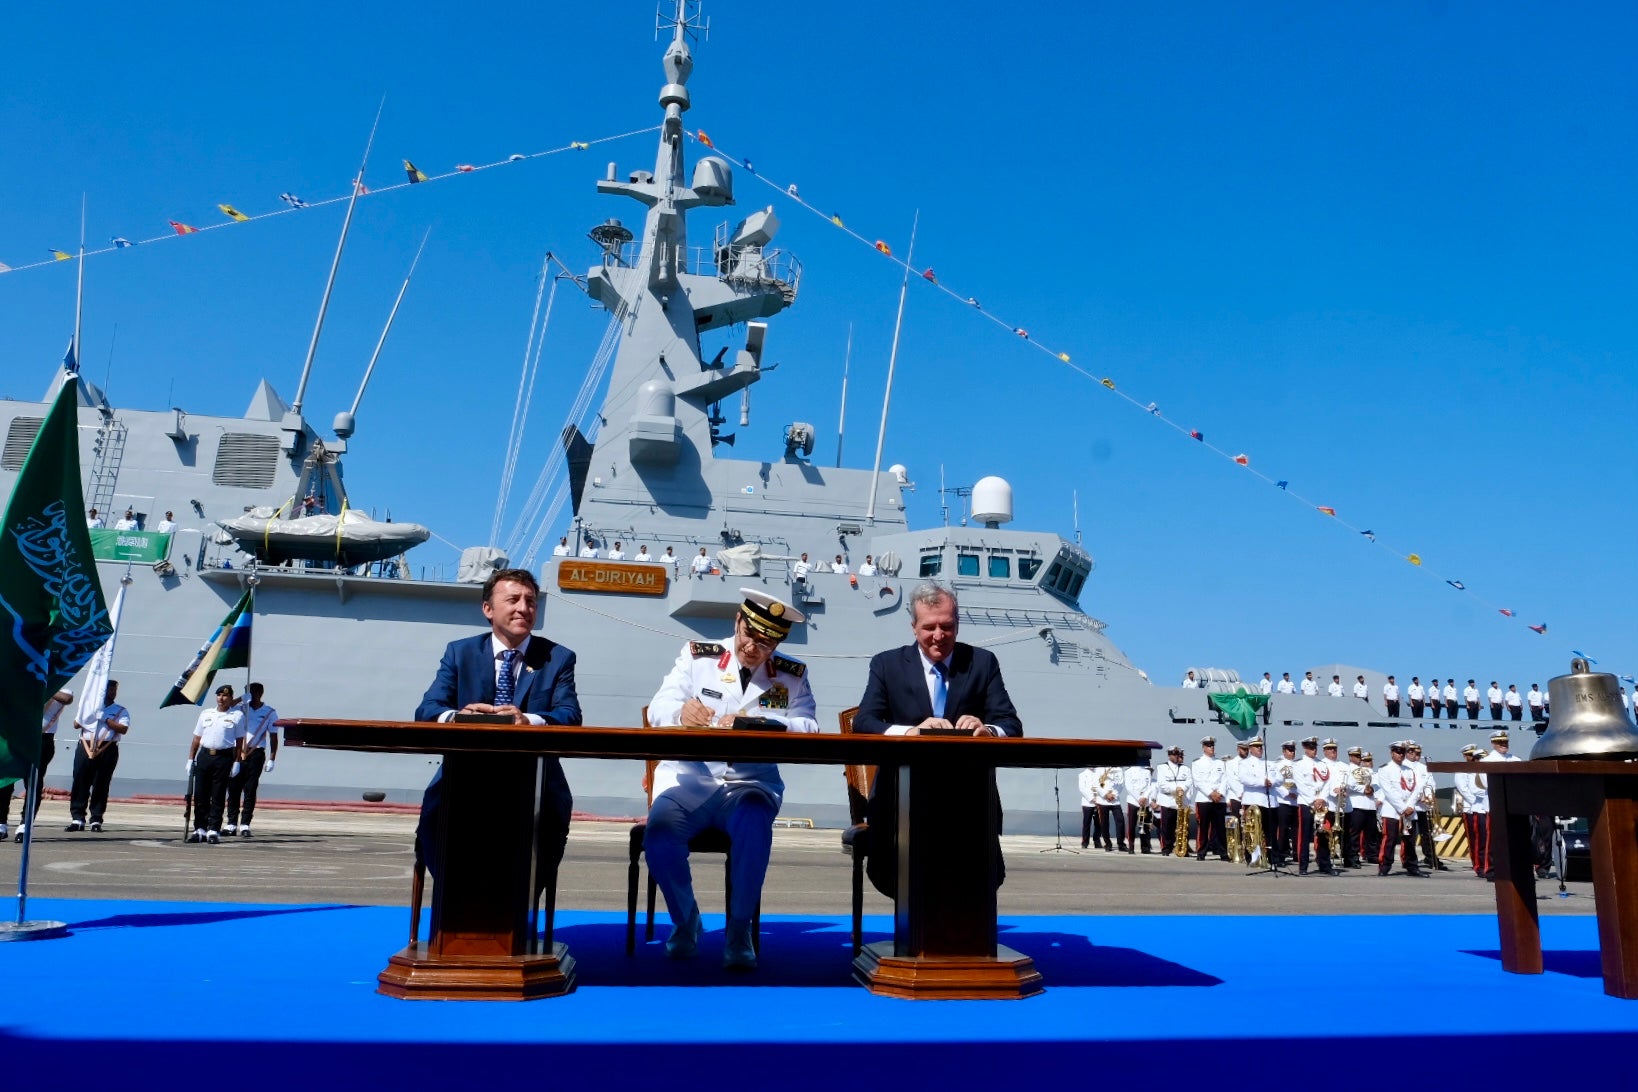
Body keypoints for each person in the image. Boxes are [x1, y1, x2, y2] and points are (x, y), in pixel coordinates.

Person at [644, 590, 816, 970]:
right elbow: (658, 709)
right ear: (738, 621)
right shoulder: (697, 657)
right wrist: (682, 713)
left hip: (749, 785)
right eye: (749, 634)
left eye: (766, 642)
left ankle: (739, 929)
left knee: (754, 823)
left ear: (778, 643)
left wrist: (763, 724)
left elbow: (808, 725)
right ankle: (686, 920)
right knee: (658, 835)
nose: (753, 647)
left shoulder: (792, 675)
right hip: (690, 780)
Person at [854, 581, 1022, 898]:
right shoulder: (886, 665)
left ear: (957, 624)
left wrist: (987, 730)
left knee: (974, 881)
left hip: (968, 802)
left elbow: (1010, 725)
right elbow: (864, 723)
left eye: (947, 627)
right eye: (929, 627)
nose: (939, 636)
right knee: (906, 877)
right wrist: (911, 732)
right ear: (913, 627)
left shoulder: (983, 663)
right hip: (901, 800)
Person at [413, 567, 580, 886]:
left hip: (535, 776)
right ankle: (455, 901)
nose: (524, 608)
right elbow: (427, 710)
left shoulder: (558, 658)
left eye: (531, 601)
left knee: (551, 817)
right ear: (488, 609)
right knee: (436, 816)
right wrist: (459, 718)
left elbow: (570, 715)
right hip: (465, 774)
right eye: (513, 600)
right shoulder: (459, 653)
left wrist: (528, 720)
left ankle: (522, 904)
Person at [0, 690, 71, 841]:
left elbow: (67, 698)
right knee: (5, 781)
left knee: (33, 784)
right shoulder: (25, 685)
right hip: (17, 738)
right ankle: (1, 824)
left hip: (42, 740)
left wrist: (46, 686)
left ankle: (25, 825)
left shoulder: (58, 686)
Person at [185, 685, 246, 844]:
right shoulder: (206, 714)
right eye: (218, 695)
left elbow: (239, 742)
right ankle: (199, 829)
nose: (221, 698)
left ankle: (213, 829)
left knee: (218, 795)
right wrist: (191, 759)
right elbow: (197, 738)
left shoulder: (237, 716)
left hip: (223, 757)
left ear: (231, 698)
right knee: (200, 795)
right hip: (205, 756)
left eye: (225, 696)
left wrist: (237, 761)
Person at [66, 681, 129, 833]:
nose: (112, 693)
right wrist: (90, 714)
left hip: (107, 748)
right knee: (80, 781)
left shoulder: (120, 710)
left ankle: (96, 819)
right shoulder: (89, 707)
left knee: (101, 783)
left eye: (114, 690)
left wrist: (106, 719)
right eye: (109, 690)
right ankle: (77, 818)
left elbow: (123, 728)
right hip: (85, 746)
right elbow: (76, 724)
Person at [225, 682, 278, 837]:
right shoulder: (240, 708)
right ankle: (231, 823)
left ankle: (245, 824)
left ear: (260, 692)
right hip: (237, 753)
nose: (250, 695)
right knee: (233, 788)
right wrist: (241, 699)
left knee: (250, 789)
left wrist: (272, 758)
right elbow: (226, 707)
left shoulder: (269, 712)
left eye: (252, 692)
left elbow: (273, 736)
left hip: (256, 754)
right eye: (247, 692)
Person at [1377, 742, 1427, 877]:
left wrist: (1410, 806)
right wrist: (1403, 808)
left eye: (1402, 752)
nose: (1400, 755)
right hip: (1392, 810)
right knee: (1389, 840)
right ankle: (1384, 866)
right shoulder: (1384, 769)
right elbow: (1388, 791)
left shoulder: (1409, 770)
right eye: (1398, 752)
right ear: (1392, 753)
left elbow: (1416, 789)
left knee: (1410, 841)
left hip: (1409, 810)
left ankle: (1412, 866)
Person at [1293, 737, 1335, 876]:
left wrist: (1322, 798)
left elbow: (1327, 783)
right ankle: (1303, 866)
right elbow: (1300, 785)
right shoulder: (1299, 764)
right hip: (1307, 803)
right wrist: (1313, 800)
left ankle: (1325, 865)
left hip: (1321, 804)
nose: (1314, 750)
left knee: (1323, 835)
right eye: (1311, 748)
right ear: (1305, 748)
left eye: (1315, 747)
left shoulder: (1322, 764)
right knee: (1304, 836)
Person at [1453, 744, 1490, 879]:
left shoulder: (1483, 771)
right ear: (1465, 756)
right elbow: (1463, 789)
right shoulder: (1462, 770)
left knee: (1486, 839)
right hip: (1471, 807)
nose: (1472, 758)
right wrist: (1477, 801)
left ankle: (1486, 864)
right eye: (1470, 755)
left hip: (1485, 808)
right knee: (1475, 839)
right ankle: (1478, 864)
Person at [1236, 738, 1274, 866]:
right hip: (1252, 800)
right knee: (1251, 831)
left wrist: (1272, 781)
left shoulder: (1267, 763)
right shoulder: (1244, 763)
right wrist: (1262, 782)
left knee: (1267, 831)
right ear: (1251, 749)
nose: (1260, 749)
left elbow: (1278, 777)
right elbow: (1244, 778)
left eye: (1261, 746)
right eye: (1257, 746)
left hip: (1266, 801)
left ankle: (1269, 857)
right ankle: (1252, 857)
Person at [1191, 736, 1227, 861]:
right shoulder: (1197, 763)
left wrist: (1220, 793)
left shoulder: (1220, 763)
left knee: (1220, 827)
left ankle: (1223, 852)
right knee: (1203, 827)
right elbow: (1198, 782)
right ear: (1203, 747)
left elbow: (1224, 780)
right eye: (1208, 745)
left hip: (1219, 799)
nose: (1211, 747)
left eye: (1212, 745)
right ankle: (1201, 852)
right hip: (1204, 799)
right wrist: (1211, 793)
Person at [1345, 747, 1379, 867]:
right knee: (1354, 834)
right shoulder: (1347, 769)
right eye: (1356, 756)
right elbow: (1349, 785)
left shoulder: (1367, 770)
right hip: (1356, 804)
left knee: (1372, 833)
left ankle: (1372, 855)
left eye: (1360, 756)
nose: (1359, 758)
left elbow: (1376, 783)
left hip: (1370, 805)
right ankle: (1353, 856)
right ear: (1350, 757)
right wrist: (1363, 789)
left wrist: (1372, 789)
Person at [1271, 740, 1300, 867]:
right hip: (1283, 801)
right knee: (1282, 829)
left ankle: (1297, 854)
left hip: (1296, 801)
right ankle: (1281, 854)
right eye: (1289, 750)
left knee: (1296, 829)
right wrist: (1287, 793)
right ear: (1284, 751)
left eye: (1293, 750)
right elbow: (1275, 782)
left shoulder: (1298, 765)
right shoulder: (1278, 765)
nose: (1292, 753)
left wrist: (1297, 793)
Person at [1122, 761, 1154, 854]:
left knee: (1144, 825)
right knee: (1131, 825)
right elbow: (1129, 787)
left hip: (1145, 802)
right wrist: (1139, 798)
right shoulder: (1128, 771)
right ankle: (1131, 847)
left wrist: (1145, 797)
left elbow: (1149, 786)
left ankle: (1145, 848)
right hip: (1133, 801)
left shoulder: (1147, 771)